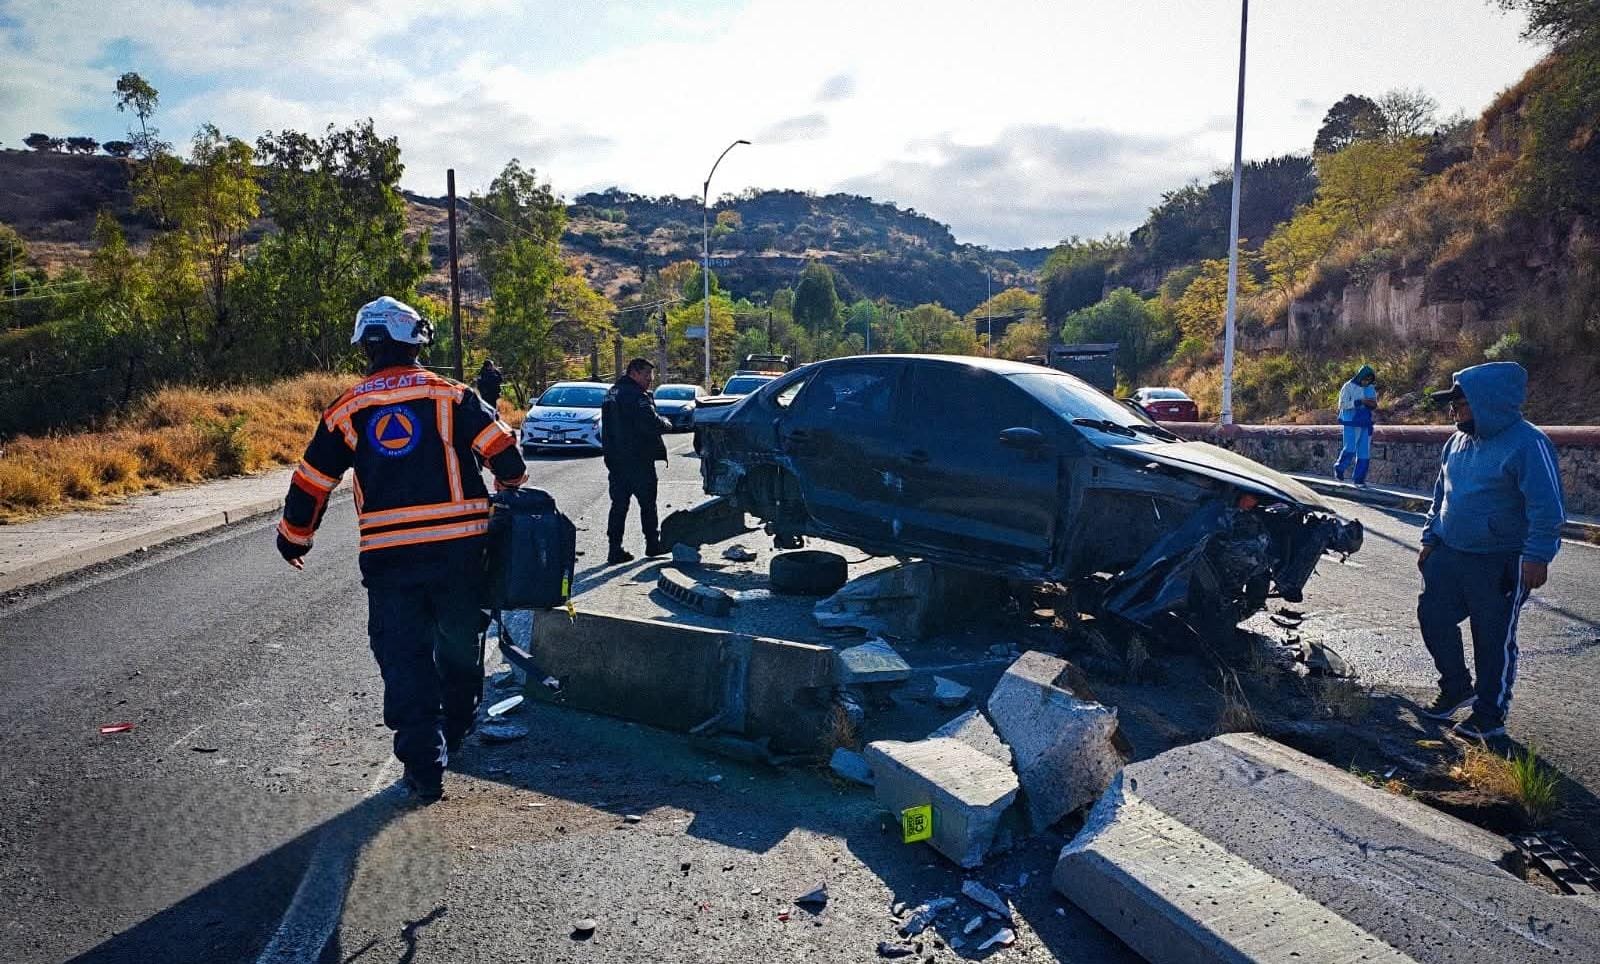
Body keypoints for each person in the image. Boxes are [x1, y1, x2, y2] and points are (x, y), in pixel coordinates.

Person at [276, 296, 527, 803]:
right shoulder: (452, 396)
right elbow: (506, 456)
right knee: (459, 644)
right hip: (460, 553)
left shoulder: (347, 409)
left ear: (366, 346)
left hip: (390, 559)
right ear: (416, 341)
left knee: (404, 656)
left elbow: (312, 481)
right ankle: (455, 729)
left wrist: (294, 537)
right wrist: (508, 487)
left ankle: (424, 764)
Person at [1416, 361, 1565, 740]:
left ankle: (1489, 715)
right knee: (1433, 616)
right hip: (1451, 552)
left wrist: (1538, 556)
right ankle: (1455, 687)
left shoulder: (1528, 444)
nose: (1453, 410)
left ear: (1487, 402)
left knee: (1492, 637)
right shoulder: (1456, 442)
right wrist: (1430, 538)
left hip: (1501, 559)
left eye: (1460, 402)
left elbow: (1547, 508)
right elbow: (1440, 494)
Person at [601, 357, 669, 564]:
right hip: (638, 458)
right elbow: (651, 423)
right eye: (647, 375)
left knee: (619, 505)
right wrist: (667, 423)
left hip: (615, 458)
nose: (650, 379)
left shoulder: (612, 393)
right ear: (634, 373)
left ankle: (614, 549)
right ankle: (652, 544)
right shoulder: (637, 396)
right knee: (647, 503)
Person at [1333, 364, 1378, 485]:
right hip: (1351, 422)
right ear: (1360, 376)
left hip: (1366, 422)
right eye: (1365, 379)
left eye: (1369, 380)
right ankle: (1339, 468)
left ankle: (1359, 479)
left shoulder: (1370, 388)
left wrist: (1371, 404)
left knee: (1364, 453)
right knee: (1350, 448)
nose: (1366, 382)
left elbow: (1374, 403)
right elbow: (1342, 405)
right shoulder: (1348, 386)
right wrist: (1359, 402)